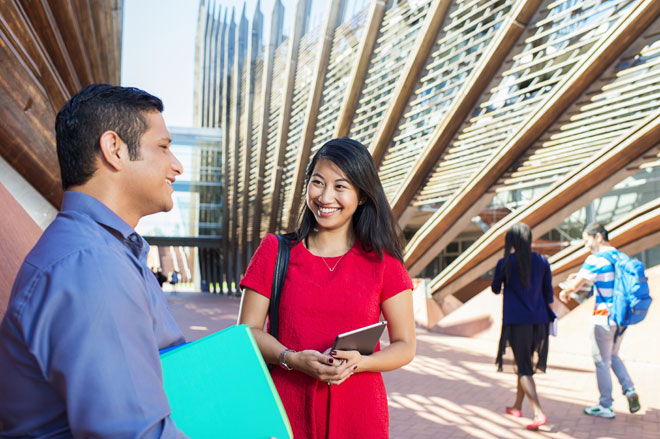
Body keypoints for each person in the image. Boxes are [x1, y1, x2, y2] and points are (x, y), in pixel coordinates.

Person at [0, 84, 188, 438]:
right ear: (114, 149)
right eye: (163, 147)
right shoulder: (94, 266)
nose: (176, 165)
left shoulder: (103, 251)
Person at [238, 138, 416, 439]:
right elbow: (246, 331)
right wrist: (290, 358)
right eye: (317, 182)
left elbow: (405, 345)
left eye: (340, 186)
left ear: (361, 196)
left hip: (359, 415)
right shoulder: (275, 250)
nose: (325, 196)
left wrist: (363, 362)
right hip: (285, 409)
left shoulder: (383, 262)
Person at [559, 223, 640, 418]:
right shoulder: (620, 257)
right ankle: (629, 389)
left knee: (601, 361)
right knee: (613, 356)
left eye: (587, 240)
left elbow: (575, 287)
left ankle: (605, 405)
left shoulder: (595, 259)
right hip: (622, 318)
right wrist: (579, 278)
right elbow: (603, 281)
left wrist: (566, 290)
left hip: (603, 318)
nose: (586, 245)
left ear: (598, 237)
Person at [491, 223, 554, 431]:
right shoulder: (543, 262)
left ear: (511, 242)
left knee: (524, 368)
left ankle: (538, 412)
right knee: (523, 363)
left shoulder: (505, 262)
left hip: (517, 322)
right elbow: (548, 295)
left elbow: (495, 289)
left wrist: (500, 274)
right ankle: (517, 406)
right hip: (540, 322)